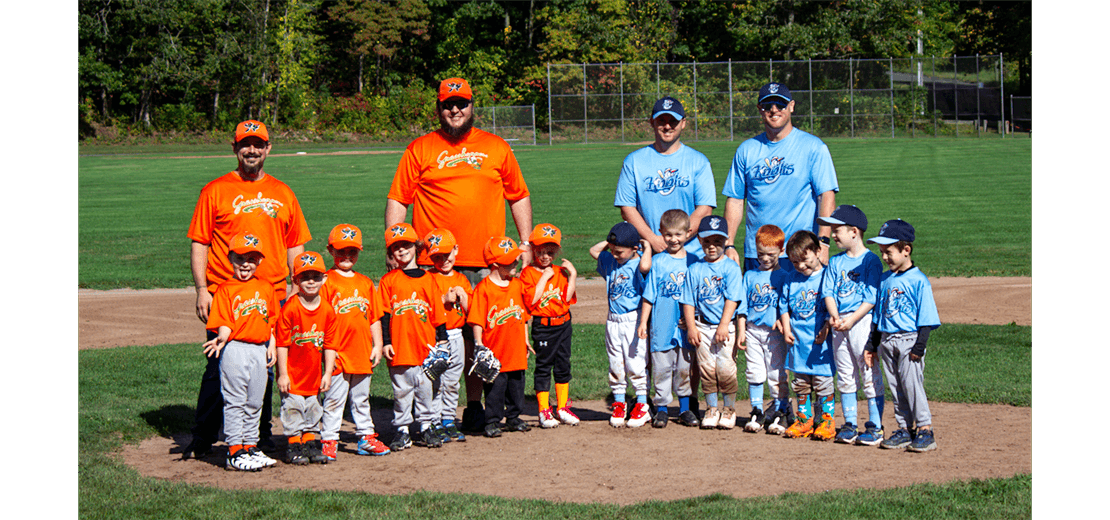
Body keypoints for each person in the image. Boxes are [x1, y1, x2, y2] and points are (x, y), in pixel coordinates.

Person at [386, 77, 533, 432]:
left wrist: (525, 243)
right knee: (437, 339)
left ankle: (485, 407)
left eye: (461, 103)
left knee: (484, 336)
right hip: (434, 262)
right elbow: (398, 199)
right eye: (448, 104)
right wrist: (394, 245)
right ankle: (439, 412)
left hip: (489, 262)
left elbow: (519, 195)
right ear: (438, 108)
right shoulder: (420, 149)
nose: (455, 109)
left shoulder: (497, 147)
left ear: (472, 106)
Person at [184, 120, 312, 460]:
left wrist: (298, 290)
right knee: (218, 363)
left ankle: (258, 435)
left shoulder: (283, 192)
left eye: (258, 144)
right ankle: (203, 435)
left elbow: (295, 245)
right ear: (235, 148)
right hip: (226, 294)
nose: (251, 150)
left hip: (272, 294)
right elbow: (200, 243)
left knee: (265, 364)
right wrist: (201, 289)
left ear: (268, 148)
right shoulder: (215, 190)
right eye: (245, 144)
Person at [722, 82, 839, 271]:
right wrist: (728, 244)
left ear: (791, 106)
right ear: (760, 109)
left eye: (780, 105)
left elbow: (826, 195)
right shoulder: (747, 150)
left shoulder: (813, 147)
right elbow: (735, 200)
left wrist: (823, 242)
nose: (774, 110)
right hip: (758, 253)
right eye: (768, 105)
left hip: (799, 252)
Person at [200, 231, 280, 471]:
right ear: (230, 258)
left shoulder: (266, 288)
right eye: (240, 257)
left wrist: (272, 345)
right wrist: (221, 339)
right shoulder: (225, 288)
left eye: (252, 258)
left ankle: (251, 447)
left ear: (260, 261)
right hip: (235, 348)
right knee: (235, 401)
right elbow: (224, 322)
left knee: (256, 400)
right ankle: (234, 451)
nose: (246, 263)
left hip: (259, 349)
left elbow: (271, 320)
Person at [864, 219, 941, 452]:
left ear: (906, 250)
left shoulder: (919, 280)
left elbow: (926, 318)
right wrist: (872, 344)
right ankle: (905, 429)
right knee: (896, 387)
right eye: (882, 252)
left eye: (889, 252)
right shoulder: (885, 279)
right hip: (886, 340)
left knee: (912, 386)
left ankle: (925, 429)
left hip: (909, 340)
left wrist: (919, 347)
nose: (885, 257)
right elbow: (877, 316)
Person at [319, 224, 390, 460]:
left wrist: (378, 344)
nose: (347, 256)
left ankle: (366, 437)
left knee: (361, 398)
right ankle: (329, 438)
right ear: (330, 250)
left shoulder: (365, 282)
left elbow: (374, 318)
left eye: (352, 251)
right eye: (341, 251)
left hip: (361, 350)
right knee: (334, 398)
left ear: (359, 252)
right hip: (337, 350)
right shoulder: (326, 281)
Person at [614, 96, 717, 257]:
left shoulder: (698, 161)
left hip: (689, 254)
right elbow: (627, 209)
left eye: (673, 121)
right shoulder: (634, 161)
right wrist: (654, 240)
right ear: (652, 122)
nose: (667, 126)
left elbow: (704, 209)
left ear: (683, 123)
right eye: (661, 120)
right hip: (648, 253)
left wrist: (677, 241)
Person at [817, 206, 885, 445]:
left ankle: (875, 426)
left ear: (854, 231)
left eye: (837, 230)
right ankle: (850, 424)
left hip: (861, 321)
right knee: (845, 374)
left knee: (868, 372)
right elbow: (828, 292)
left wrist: (852, 319)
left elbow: (871, 298)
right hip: (840, 324)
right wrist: (834, 316)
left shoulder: (871, 261)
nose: (832, 235)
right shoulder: (835, 262)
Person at [378, 223, 450, 450]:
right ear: (391, 253)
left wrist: (442, 339)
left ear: (416, 247)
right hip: (399, 347)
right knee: (401, 391)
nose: (401, 250)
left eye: (406, 245)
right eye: (396, 247)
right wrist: (386, 342)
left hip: (426, 347)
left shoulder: (429, 279)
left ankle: (426, 426)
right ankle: (402, 429)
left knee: (425, 389)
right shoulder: (388, 281)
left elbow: (438, 314)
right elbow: (384, 316)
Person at [680, 215, 746, 430]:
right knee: (707, 369)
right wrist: (691, 327)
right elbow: (688, 301)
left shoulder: (731, 268)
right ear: (699, 240)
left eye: (717, 242)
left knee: (726, 369)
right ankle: (711, 409)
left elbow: (733, 299)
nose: (711, 247)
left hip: (725, 326)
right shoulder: (695, 270)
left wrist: (724, 325)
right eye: (707, 241)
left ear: (726, 241)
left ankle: (728, 410)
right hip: (702, 326)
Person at [637, 209, 699, 428]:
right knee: (662, 368)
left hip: (684, 327)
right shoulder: (659, 261)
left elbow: (699, 295)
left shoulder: (694, 261)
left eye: (678, 235)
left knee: (684, 368)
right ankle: (662, 409)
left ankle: (684, 409)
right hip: (662, 324)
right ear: (661, 233)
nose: (674, 239)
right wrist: (644, 322)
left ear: (688, 233)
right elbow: (649, 295)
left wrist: (694, 320)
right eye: (669, 235)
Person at [274, 251, 337, 465]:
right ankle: (294, 445)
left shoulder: (327, 310)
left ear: (324, 278)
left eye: (316, 276)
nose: (311, 281)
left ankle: (310, 443)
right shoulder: (290, 309)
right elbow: (282, 344)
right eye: (305, 277)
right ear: (295, 280)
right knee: (293, 409)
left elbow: (330, 344)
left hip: (313, 375)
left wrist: (328, 372)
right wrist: (282, 374)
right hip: (292, 374)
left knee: (313, 409)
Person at [467, 237, 533, 438]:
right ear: (495, 265)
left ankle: (513, 417)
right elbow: (477, 319)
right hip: (495, 350)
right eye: (510, 261)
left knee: (516, 386)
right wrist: (479, 344)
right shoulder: (484, 289)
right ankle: (492, 420)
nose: (516, 263)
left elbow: (522, 317)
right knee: (495, 388)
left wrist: (525, 340)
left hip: (515, 349)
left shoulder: (517, 285)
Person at [589, 222, 651, 428]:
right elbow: (594, 251)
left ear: (634, 248)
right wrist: (611, 242)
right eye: (613, 251)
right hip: (612, 320)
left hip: (632, 319)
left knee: (635, 363)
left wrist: (646, 246)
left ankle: (642, 405)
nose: (615, 255)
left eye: (620, 252)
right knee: (615, 364)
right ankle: (619, 403)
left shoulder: (639, 263)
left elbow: (645, 270)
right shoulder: (611, 260)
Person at [519, 224, 580, 428]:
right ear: (533, 249)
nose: (545, 256)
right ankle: (544, 410)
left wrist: (572, 276)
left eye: (550, 252)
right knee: (544, 367)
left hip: (563, 324)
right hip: (543, 326)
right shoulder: (528, 274)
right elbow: (530, 302)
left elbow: (568, 298)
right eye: (541, 251)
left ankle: (562, 408)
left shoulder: (560, 271)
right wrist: (544, 279)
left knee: (563, 366)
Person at [779, 231, 836, 441]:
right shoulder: (790, 278)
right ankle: (805, 420)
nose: (800, 266)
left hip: (820, 342)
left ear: (818, 251)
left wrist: (828, 326)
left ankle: (826, 421)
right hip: (799, 342)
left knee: (822, 381)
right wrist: (786, 328)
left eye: (804, 260)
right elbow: (783, 306)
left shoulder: (827, 276)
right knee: (801, 382)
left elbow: (834, 307)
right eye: (794, 262)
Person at [739, 225, 791, 434]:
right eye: (761, 253)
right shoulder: (750, 276)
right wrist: (741, 330)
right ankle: (757, 410)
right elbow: (742, 307)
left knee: (776, 372)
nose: (765, 258)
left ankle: (781, 410)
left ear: (782, 250)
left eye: (771, 254)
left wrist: (782, 321)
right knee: (754, 371)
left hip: (774, 333)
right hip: (752, 330)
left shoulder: (785, 276)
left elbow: (787, 305)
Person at [424, 228, 472, 442]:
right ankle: (433, 420)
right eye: (436, 257)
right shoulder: (428, 278)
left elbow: (471, 311)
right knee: (435, 380)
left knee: (453, 381)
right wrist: (443, 300)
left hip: (457, 336)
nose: (443, 260)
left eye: (446, 255)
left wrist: (463, 299)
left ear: (456, 250)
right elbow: (424, 309)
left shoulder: (462, 278)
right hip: (436, 337)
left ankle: (448, 419)